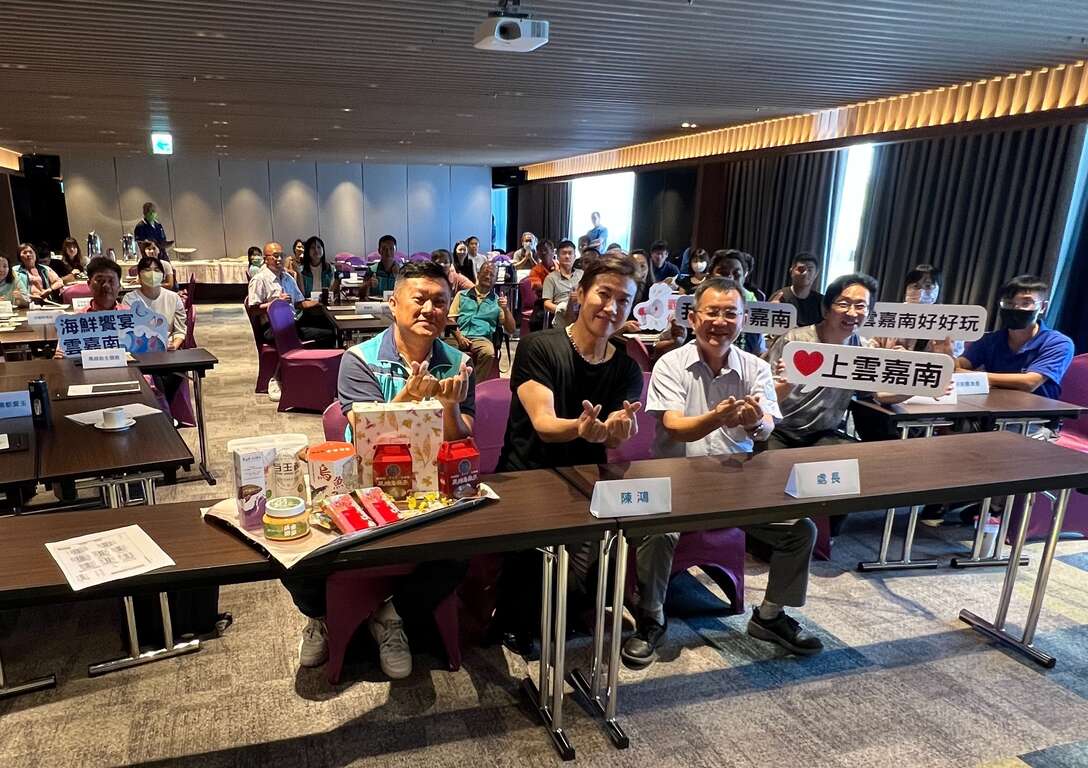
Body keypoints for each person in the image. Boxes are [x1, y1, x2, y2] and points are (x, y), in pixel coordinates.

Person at [286, 260, 475, 679]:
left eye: (440, 301)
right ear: (394, 304)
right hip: (364, 487)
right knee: (295, 553)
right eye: (419, 299)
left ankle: (392, 616)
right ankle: (321, 616)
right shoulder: (360, 359)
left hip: (429, 492)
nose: (429, 309)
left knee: (462, 549)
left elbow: (461, 440)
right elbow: (368, 437)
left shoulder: (459, 362)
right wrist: (410, 396)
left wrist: (448, 405)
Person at [623, 277, 822, 667]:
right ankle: (651, 617)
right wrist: (717, 417)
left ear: (743, 319)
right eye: (711, 312)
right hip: (675, 482)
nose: (720, 321)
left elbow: (767, 426)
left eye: (730, 313)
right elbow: (675, 427)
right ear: (694, 318)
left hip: (735, 486)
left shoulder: (755, 367)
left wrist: (755, 423)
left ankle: (770, 616)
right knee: (658, 531)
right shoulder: (670, 364)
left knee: (800, 529)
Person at [493, 255, 644, 651]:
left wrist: (617, 429)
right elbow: (544, 424)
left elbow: (615, 431)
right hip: (528, 474)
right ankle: (515, 616)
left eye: (623, 300)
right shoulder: (539, 346)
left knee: (606, 554)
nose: (611, 308)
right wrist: (581, 427)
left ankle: (572, 605)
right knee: (533, 571)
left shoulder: (626, 368)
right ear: (580, 293)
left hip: (586, 478)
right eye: (603, 294)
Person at [767, 273, 907, 535]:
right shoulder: (795, 341)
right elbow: (764, 394)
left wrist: (918, 386)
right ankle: (779, 536)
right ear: (826, 308)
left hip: (823, 433)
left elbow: (879, 393)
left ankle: (828, 535)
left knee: (854, 463)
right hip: (779, 429)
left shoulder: (862, 350)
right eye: (844, 304)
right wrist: (789, 383)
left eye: (861, 306)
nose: (852, 313)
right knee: (770, 480)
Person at [957, 274, 1074, 400]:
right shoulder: (991, 340)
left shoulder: (1058, 343)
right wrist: (947, 356)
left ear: (1042, 307)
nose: (1016, 308)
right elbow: (960, 365)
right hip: (993, 404)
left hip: (1037, 410)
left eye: (1026, 303)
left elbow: (1029, 382)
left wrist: (972, 376)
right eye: (1009, 303)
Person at [246, 241, 335, 348]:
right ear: (266, 259)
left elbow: (299, 303)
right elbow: (253, 310)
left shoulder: (288, 278)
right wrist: (276, 303)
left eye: (282, 256)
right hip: (272, 327)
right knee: (328, 335)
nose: (279, 259)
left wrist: (319, 302)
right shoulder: (259, 279)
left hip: (291, 323)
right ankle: (306, 357)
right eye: (275, 256)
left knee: (328, 325)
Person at [126, 254, 188, 401]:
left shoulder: (173, 297)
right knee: (152, 376)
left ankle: (162, 406)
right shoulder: (130, 299)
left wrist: (174, 345)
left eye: (156, 270)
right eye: (147, 270)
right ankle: (162, 408)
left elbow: (180, 329)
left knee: (175, 372)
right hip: (141, 352)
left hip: (167, 351)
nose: (152, 274)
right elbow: (129, 330)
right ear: (139, 275)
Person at [450, 260, 515, 379]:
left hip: (480, 338)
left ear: (495, 280)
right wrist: (459, 337)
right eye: (485, 272)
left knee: (489, 352)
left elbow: (511, 329)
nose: (488, 276)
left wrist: (505, 309)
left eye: (492, 275)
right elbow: (450, 319)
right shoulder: (461, 295)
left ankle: (476, 385)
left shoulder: (497, 302)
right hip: (457, 334)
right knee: (443, 349)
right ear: (478, 274)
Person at [708, 249, 766, 355]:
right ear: (710, 275)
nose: (730, 277)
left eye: (736, 274)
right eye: (723, 273)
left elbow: (759, 349)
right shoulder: (694, 301)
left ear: (744, 277)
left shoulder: (753, 303)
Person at [770, 253, 823, 326]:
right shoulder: (780, 297)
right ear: (791, 271)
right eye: (801, 269)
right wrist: (770, 312)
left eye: (810, 270)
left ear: (816, 274)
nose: (805, 273)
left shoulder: (821, 301)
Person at [541, 239, 583, 329]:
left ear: (575, 257)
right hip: (562, 314)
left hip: (581, 312)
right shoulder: (550, 278)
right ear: (558, 257)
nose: (567, 256)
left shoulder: (582, 274)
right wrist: (562, 310)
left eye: (570, 253)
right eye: (564, 253)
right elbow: (546, 304)